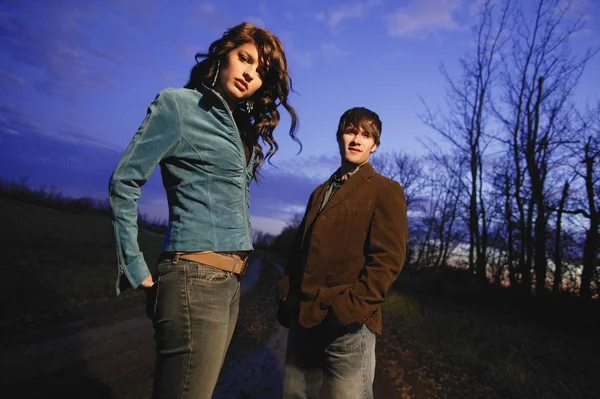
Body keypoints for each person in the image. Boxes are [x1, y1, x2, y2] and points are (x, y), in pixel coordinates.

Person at [109, 22, 299, 399]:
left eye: (260, 72)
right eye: (244, 59)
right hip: (194, 278)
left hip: (228, 284)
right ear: (224, 54)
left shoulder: (239, 128)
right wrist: (135, 268)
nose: (250, 74)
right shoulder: (178, 106)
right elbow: (124, 182)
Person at [275, 107, 407, 399]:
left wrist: (347, 310)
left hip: (348, 326)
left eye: (366, 135)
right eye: (351, 131)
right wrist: (287, 293)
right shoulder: (320, 192)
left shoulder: (386, 190)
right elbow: (300, 248)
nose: (357, 139)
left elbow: (388, 261)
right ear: (339, 136)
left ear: (375, 144)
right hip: (304, 317)